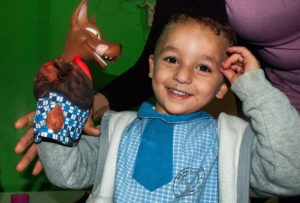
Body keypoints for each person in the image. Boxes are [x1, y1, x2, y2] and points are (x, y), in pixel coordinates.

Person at [34, 11, 300, 202]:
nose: (183, 76)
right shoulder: (115, 133)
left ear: (224, 85)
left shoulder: (230, 144)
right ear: (151, 66)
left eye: (203, 67)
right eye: (172, 59)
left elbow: (290, 176)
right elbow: (65, 174)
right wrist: (59, 102)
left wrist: (255, 88)